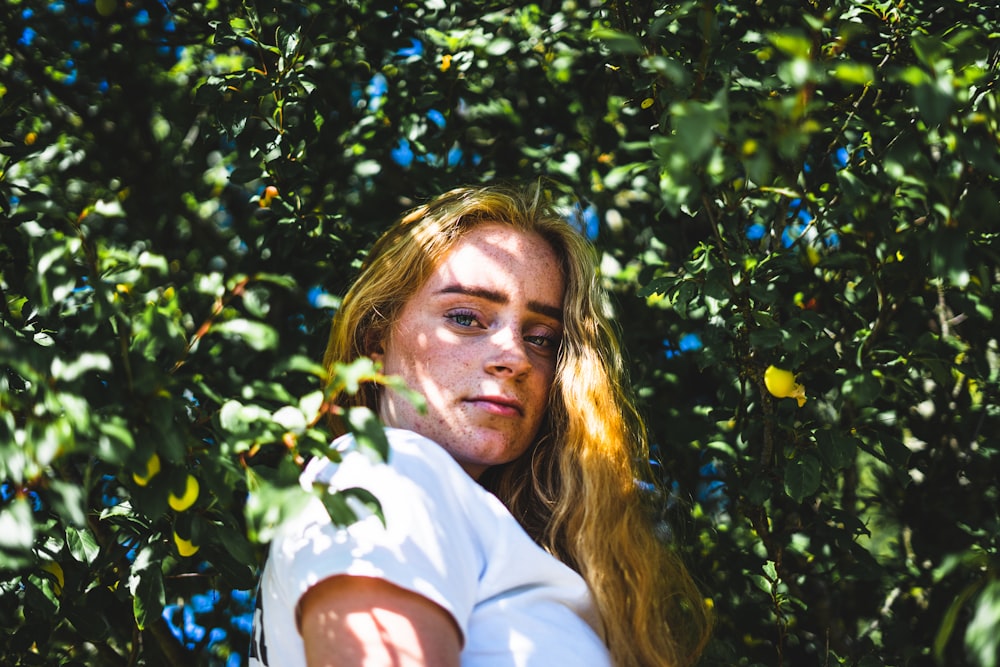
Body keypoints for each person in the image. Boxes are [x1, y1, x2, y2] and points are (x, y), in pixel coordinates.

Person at [250, 184, 711, 667]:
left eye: (541, 337)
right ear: (376, 342)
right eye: (467, 318)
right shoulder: (387, 473)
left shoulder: (457, 514)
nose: (515, 357)